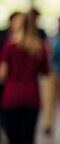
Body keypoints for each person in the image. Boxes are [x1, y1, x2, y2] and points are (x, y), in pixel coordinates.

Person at [0, 12, 50, 144]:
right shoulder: (40, 47)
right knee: (27, 138)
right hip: (32, 96)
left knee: (13, 138)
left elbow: (2, 74)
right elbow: (46, 72)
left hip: (12, 95)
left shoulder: (9, 46)